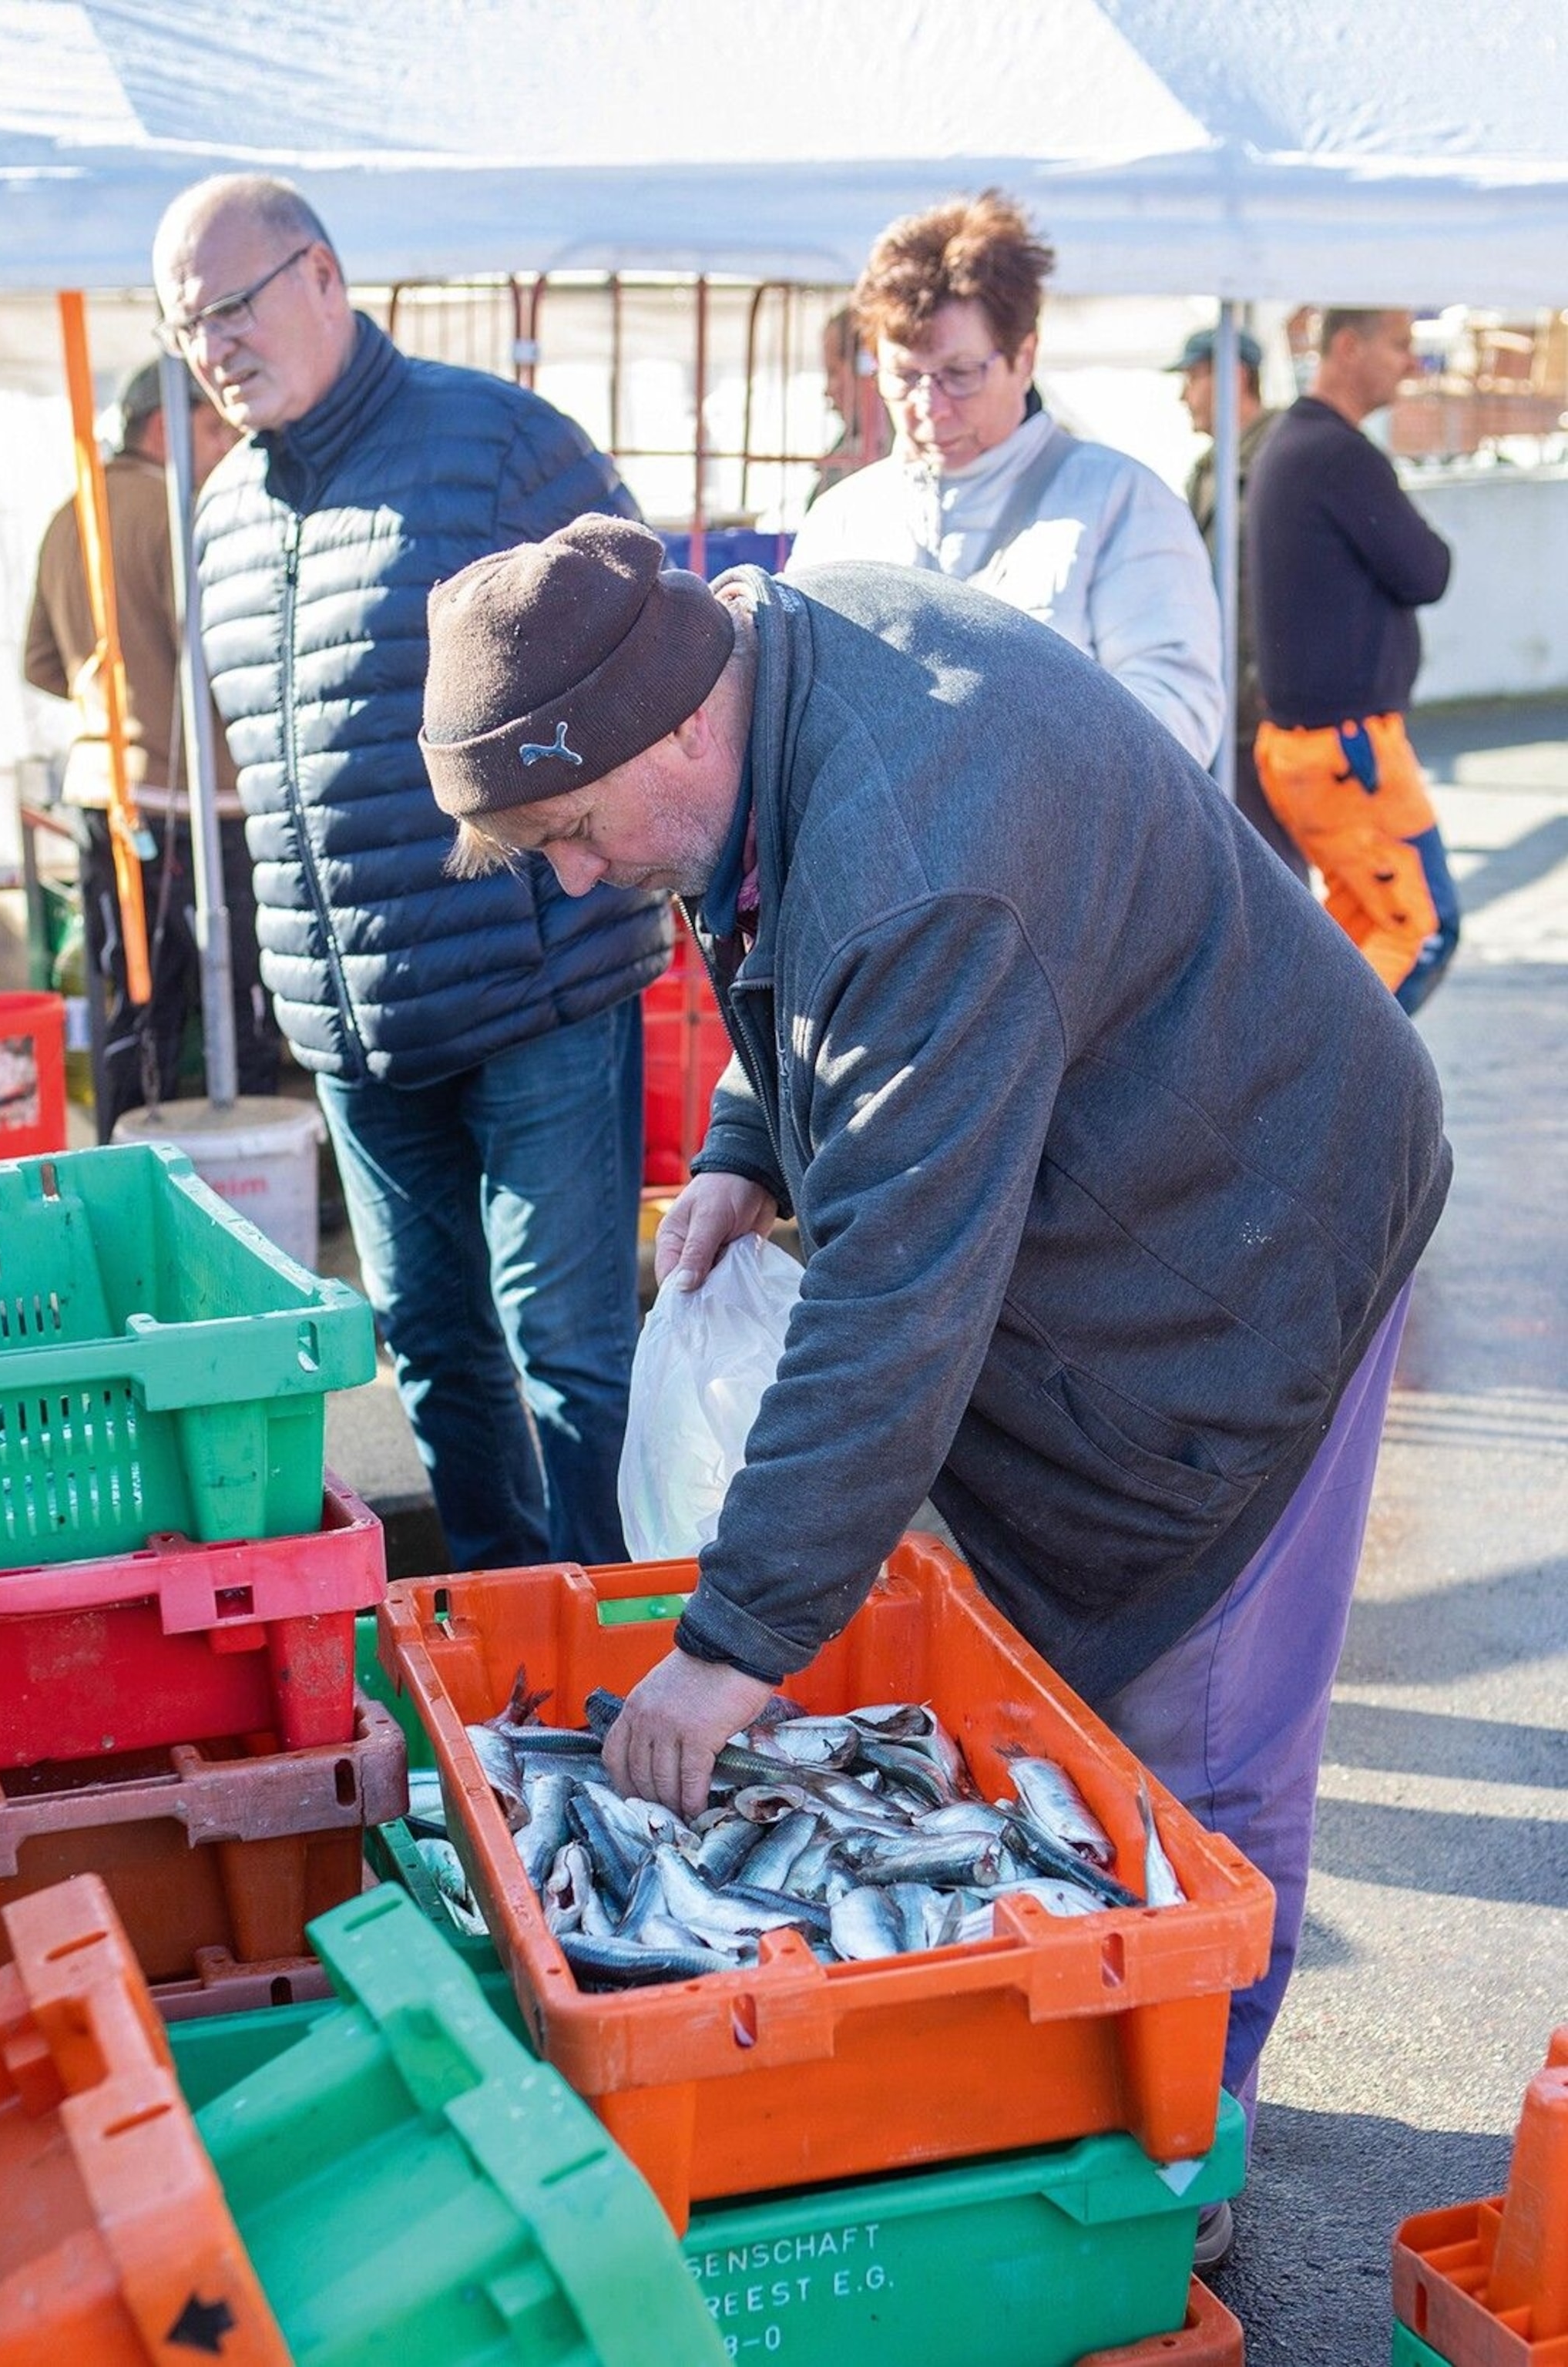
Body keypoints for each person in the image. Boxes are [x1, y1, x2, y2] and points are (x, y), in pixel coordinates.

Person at [418, 515, 1450, 2248]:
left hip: (1259, 1243)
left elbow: (895, 1294)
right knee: (1088, 1713)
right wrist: (753, 1138)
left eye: (573, 831)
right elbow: (785, 943)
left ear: (672, 722)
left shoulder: (917, 852)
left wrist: (732, 1646)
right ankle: (1077, 2068)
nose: (577, 878)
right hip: (1124, 1179)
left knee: (1200, 1723)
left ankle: (1182, 2139)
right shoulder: (769, 664)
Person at [151, 173, 671, 1570]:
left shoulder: (500, 446)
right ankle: (503, 1643)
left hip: (534, 993)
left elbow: (653, 656)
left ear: (322, 274)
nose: (213, 344)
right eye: (187, 324)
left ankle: (618, 1638)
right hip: (355, 1028)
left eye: (232, 307)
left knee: (568, 1345)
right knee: (433, 1350)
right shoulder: (220, 509)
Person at [787, 190, 1224, 765]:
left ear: (1026, 356)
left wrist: (1001, 781)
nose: (928, 406)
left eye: (959, 375)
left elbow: (1174, 715)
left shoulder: (1120, 503)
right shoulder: (843, 518)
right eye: (903, 375)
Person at [22, 358, 280, 1138]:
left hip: (105, 790)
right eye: (213, 429)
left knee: (133, 997)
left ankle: (118, 1168)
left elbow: (38, 660)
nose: (229, 445)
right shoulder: (183, 510)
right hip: (199, 800)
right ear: (164, 426)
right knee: (237, 998)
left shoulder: (71, 513)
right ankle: (240, 1185)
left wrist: (114, 705)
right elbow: (221, 654)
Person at [1248, 308, 1460, 1012]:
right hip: (1350, 750)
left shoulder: (1294, 443)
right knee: (1423, 930)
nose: (1411, 362)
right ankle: (1328, 1105)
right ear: (1347, 346)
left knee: (1357, 938)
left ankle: (1297, 1088)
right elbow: (1427, 569)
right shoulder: (1338, 455)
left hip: (1311, 747)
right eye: (1399, 345)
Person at [1168, 324, 1307, 884]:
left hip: (1265, 704)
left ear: (1233, 377)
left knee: (1274, 873)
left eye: (1192, 378)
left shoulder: (1284, 459)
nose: (1183, 396)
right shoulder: (1209, 469)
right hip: (1228, 700)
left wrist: (1263, 682)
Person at [806, 306, 888, 507]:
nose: (827, 391)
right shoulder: (848, 444)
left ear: (867, 373)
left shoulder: (882, 450)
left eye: (833, 372)